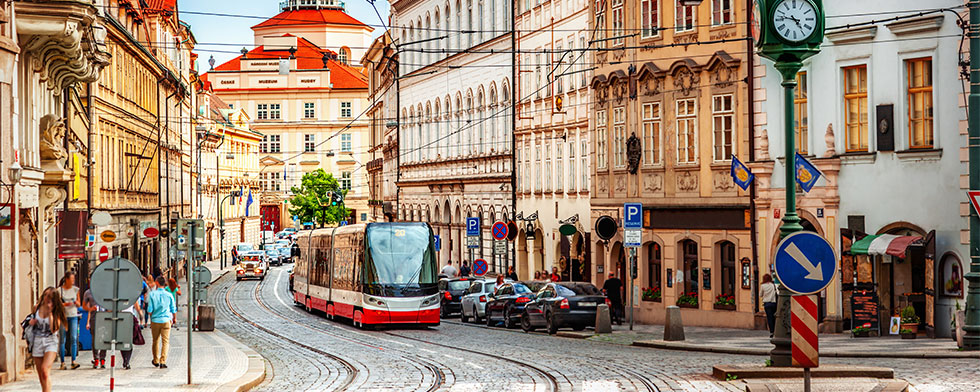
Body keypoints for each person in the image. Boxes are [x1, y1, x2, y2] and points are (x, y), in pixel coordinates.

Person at [26, 287, 66, 392]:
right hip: (37, 341)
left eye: (50, 297)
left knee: (45, 370)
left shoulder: (55, 310)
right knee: (41, 376)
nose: (46, 298)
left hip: (51, 342)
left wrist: (50, 313)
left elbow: (54, 329)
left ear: (54, 299)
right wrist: (31, 322)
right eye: (45, 295)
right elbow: (31, 321)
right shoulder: (36, 308)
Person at [146, 276, 177, 368]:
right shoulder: (169, 295)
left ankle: (156, 360)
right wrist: (174, 318)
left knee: (155, 341)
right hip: (166, 320)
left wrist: (151, 315)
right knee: (166, 341)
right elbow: (173, 309)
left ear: (157, 283)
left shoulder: (152, 294)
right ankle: (163, 361)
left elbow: (150, 310)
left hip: (155, 320)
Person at [56, 272, 81, 370]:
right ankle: (62, 362)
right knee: (62, 339)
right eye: (72, 279)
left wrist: (75, 302)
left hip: (73, 315)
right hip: (63, 317)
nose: (73, 281)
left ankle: (73, 361)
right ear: (66, 279)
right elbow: (57, 304)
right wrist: (64, 305)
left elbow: (79, 304)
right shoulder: (59, 290)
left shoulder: (76, 290)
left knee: (74, 338)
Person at [80, 288, 106, 369]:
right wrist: (90, 309)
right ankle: (96, 358)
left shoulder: (105, 290)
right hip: (94, 316)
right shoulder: (88, 292)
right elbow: (84, 306)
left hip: (104, 315)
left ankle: (102, 359)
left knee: (104, 338)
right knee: (95, 338)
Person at [119, 301, 142, 370]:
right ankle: (127, 361)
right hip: (129, 318)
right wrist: (141, 316)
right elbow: (138, 308)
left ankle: (126, 360)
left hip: (121, 319)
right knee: (128, 340)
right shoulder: (132, 296)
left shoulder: (119, 295)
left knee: (123, 340)